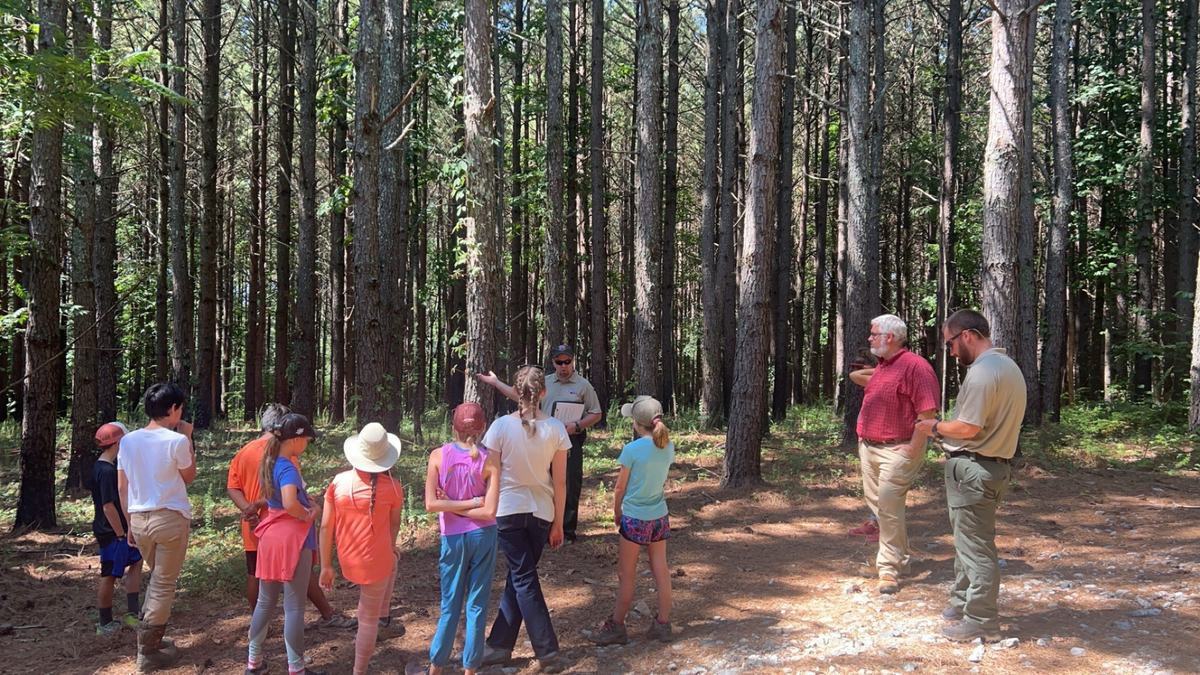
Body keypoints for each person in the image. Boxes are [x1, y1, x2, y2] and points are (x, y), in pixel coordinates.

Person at [915, 309, 1026, 642]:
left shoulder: (982, 373)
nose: (950, 351)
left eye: (950, 343)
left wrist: (932, 427)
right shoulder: (1008, 367)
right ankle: (962, 600)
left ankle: (980, 619)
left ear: (967, 336)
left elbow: (967, 427)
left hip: (975, 469)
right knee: (970, 541)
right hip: (992, 466)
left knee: (976, 548)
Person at [476, 365, 571, 674]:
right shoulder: (556, 428)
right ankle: (500, 647)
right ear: (543, 392)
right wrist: (558, 522)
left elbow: (489, 474)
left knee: (523, 577)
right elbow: (560, 483)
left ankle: (547, 650)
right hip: (541, 513)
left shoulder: (500, 427)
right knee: (521, 576)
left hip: (508, 511)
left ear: (517, 393)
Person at [227, 403, 355, 628]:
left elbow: (232, 487)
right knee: (298, 574)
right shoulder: (285, 455)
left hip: (257, 527)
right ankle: (326, 614)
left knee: (255, 573)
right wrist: (308, 511)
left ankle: (260, 623)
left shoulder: (243, 452)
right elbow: (291, 495)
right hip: (285, 527)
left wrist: (248, 510)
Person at [848, 314, 940, 594]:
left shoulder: (916, 367)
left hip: (898, 449)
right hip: (870, 447)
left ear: (889, 337)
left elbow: (928, 413)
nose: (869, 338)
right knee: (880, 507)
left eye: (873, 333)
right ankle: (900, 559)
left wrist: (913, 447)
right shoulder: (883, 367)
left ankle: (888, 569)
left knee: (888, 508)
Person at [477, 344, 601, 542]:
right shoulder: (546, 382)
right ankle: (544, 525)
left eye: (567, 361)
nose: (563, 366)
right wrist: (496, 383)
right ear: (553, 363)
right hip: (542, 436)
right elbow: (523, 396)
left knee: (568, 481)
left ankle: (566, 530)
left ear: (573, 361)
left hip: (569, 438)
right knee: (545, 478)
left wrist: (576, 426)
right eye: (559, 362)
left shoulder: (583, 385)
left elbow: (596, 413)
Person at [412, 402, 500, 675]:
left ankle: (436, 667)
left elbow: (431, 504)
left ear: (453, 428)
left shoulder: (438, 456)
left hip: (452, 537)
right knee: (477, 603)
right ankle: (470, 669)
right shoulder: (492, 459)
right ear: (483, 427)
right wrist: (473, 500)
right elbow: (488, 510)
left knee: (449, 603)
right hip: (484, 535)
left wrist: (450, 503)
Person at [584, 395, 675, 646]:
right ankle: (663, 624)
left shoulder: (631, 450)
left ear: (636, 423)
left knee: (626, 574)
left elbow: (619, 488)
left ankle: (616, 626)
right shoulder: (668, 446)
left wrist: (616, 512)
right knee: (661, 570)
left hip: (634, 518)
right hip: (659, 516)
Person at [118, 383, 194, 672]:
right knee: (163, 584)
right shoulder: (175, 441)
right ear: (173, 409)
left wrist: (128, 524)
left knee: (157, 579)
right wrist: (187, 437)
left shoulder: (128, 441)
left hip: (139, 518)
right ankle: (147, 651)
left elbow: (122, 486)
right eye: (180, 408)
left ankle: (153, 639)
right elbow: (188, 476)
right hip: (169, 518)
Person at [319, 422, 405, 675]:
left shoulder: (338, 482)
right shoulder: (394, 487)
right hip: (377, 563)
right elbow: (394, 525)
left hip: (349, 560)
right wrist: (389, 547)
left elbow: (325, 527)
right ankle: (360, 670)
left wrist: (326, 565)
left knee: (393, 559)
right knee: (367, 619)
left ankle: (384, 616)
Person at [245, 413, 326, 675]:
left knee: (265, 602)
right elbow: (291, 503)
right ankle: (296, 668)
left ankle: (253, 663)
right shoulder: (288, 467)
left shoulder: (269, 462)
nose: (308, 444)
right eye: (307, 439)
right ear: (296, 439)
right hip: (292, 540)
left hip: (270, 539)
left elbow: (273, 499)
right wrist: (310, 513)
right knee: (294, 606)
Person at [91, 421, 144, 635]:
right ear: (118, 443)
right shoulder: (105, 471)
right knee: (109, 574)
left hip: (120, 531)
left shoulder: (106, 467)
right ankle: (104, 623)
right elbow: (107, 506)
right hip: (112, 532)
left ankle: (132, 613)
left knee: (137, 561)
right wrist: (121, 533)